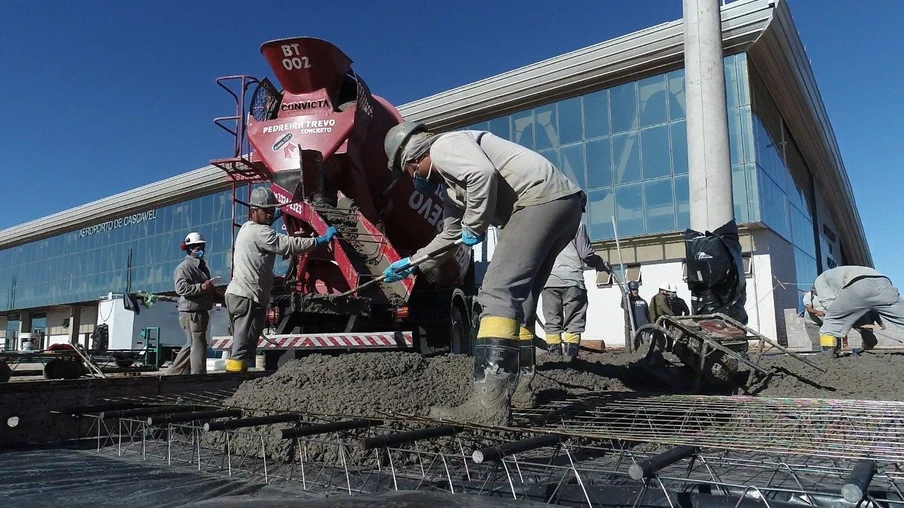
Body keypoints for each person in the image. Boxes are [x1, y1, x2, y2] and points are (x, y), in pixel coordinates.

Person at [382, 121, 584, 426]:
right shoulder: (452, 191)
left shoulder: (443, 146)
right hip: (562, 204)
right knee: (524, 298)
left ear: (413, 160)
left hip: (538, 200)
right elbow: (449, 236)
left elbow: (482, 175)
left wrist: (474, 225)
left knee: (497, 293)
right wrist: (413, 263)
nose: (415, 181)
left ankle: (489, 405)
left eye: (410, 174)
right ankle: (521, 392)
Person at [224, 187, 337, 373]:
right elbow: (287, 244)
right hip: (247, 296)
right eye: (265, 211)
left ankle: (238, 376)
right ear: (253, 211)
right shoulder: (261, 233)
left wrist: (277, 214)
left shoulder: (246, 228)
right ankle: (234, 380)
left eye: (271, 211)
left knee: (243, 339)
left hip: (239, 294)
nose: (269, 214)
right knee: (243, 342)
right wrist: (319, 241)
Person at [541, 223, 612, 362]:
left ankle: (555, 362)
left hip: (548, 281)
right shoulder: (576, 223)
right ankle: (571, 361)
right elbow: (586, 254)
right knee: (574, 322)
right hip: (572, 280)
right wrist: (600, 263)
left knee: (552, 323)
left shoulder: (544, 220)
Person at [811, 265, 904, 357]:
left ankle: (828, 356)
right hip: (883, 282)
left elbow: (828, 303)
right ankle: (869, 343)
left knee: (831, 322)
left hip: (858, 285)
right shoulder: (836, 274)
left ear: (814, 289)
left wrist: (846, 320)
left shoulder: (819, 281)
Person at [168, 232, 216, 375]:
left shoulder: (202, 267)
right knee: (196, 343)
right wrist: (201, 287)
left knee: (195, 343)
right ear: (189, 249)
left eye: (201, 246)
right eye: (196, 247)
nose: (200, 249)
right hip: (191, 311)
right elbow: (181, 288)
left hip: (200, 309)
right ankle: (195, 375)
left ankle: (178, 374)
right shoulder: (184, 268)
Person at [621, 280, 651, 349]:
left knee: (646, 348)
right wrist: (625, 295)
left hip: (644, 329)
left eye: (636, 289)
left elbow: (648, 314)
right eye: (633, 289)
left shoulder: (643, 301)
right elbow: (623, 305)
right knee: (634, 348)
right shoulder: (629, 302)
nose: (635, 291)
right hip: (633, 329)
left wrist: (650, 326)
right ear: (630, 290)